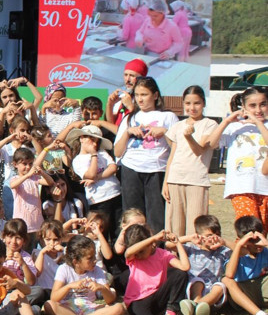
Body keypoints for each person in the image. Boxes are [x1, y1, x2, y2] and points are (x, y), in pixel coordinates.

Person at [114, 76, 177, 233]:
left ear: (155, 95)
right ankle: (134, 251)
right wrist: (128, 132)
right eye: (137, 95)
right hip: (131, 169)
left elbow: (179, 147)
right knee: (132, 216)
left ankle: (157, 252)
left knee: (156, 217)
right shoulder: (130, 118)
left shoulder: (168, 117)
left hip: (157, 170)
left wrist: (165, 132)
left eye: (144, 94)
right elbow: (117, 151)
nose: (140, 99)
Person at [207, 87, 268, 230]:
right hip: (242, 186)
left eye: (263, 104)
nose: (258, 110)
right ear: (244, 107)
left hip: (265, 187)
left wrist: (258, 123)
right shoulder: (234, 127)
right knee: (249, 230)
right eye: (253, 106)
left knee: (262, 232)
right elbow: (211, 144)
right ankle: (242, 252)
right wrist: (226, 121)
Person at [44, 235, 125, 315]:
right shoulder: (64, 269)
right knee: (48, 305)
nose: (95, 260)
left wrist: (101, 288)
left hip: (89, 309)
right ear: (76, 262)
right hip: (67, 309)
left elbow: (110, 300)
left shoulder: (97, 270)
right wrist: (69, 286)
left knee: (119, 308)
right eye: (90, 258)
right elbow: (54, 298)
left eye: (94, 256)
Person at [162, 86, 218, 236]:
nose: (192, 108)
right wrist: (166, 181)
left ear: (204, 103)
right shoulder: (177, 126)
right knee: (174, 227)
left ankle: (194, 259)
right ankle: (174, 258)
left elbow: (199, 150)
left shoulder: (210, 124)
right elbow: (172, 156)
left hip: (197, 180)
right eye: (188, 103)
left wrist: (189, 136)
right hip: (175, 178)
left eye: (196, 103)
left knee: (196, 228)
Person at [123, 225, 191, 315]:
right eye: (136, 252)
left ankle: (171, 314)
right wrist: (154, 238)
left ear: (150, 245)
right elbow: (129, 252)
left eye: (141, 251)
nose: (138, 255)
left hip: (158, 296)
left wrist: (177, 243)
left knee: (179, 274)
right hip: (138, 299)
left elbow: (185, 267)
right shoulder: (133, 258)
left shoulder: (163, 254)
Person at [176, 215, 230, 315]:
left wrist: (224, 242)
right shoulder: (191, 248)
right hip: (194, 290)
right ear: (199, 235)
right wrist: (189, 238)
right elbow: (169, 245)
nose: (213, 239)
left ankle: (196, 308)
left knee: (220, 286)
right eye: (209, 235)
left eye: (217, 235)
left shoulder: (222, 251)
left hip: (214, 295)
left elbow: (242, 252)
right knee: (198, 281)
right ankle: (199, 312)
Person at [68, 124, 122, 235]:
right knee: (103, 231)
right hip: (99, 199)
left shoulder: (102, 152)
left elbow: (113, 167)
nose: (94, 143)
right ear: (81, 138)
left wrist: (98, 177)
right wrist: (93, 155)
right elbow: (90, 174)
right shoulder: (78, 160)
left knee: (117, 228)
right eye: (91, 139)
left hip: (115, 193)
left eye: (96, 140)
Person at [221, 216, 268, 315]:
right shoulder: (237, 255)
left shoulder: (265, 251)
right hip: (243, 296)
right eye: (252, 241)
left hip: (262, 290)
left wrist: (266, 244)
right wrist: (238, 246)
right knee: (226, 280)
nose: (257, 243)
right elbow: (229, 275)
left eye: (258, 238)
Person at [9, 147, 54, 236]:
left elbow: (50, 182)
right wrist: (28, 175)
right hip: (22, 224)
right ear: (15, 164)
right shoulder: (15, 178)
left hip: (37, 222)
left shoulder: (35, 179)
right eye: (24, 164)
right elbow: (13, 185)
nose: (28, 167)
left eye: (30, 164)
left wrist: (42, 173)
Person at [106, 58, 147, 127]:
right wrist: (110, 104)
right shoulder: (123, 96)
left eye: (132, 76)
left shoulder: (146, 99)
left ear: (141, 78)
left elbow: (144, 124)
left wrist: (130, 106)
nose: (127, 79)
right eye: (126, 75)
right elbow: (112, 124)